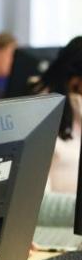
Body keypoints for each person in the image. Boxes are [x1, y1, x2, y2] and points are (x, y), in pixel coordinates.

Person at [34, 36, 82, 195]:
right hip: (61, 208)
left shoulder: (75, 106)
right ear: (75, 81)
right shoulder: (42, 115)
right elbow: (39, 199)